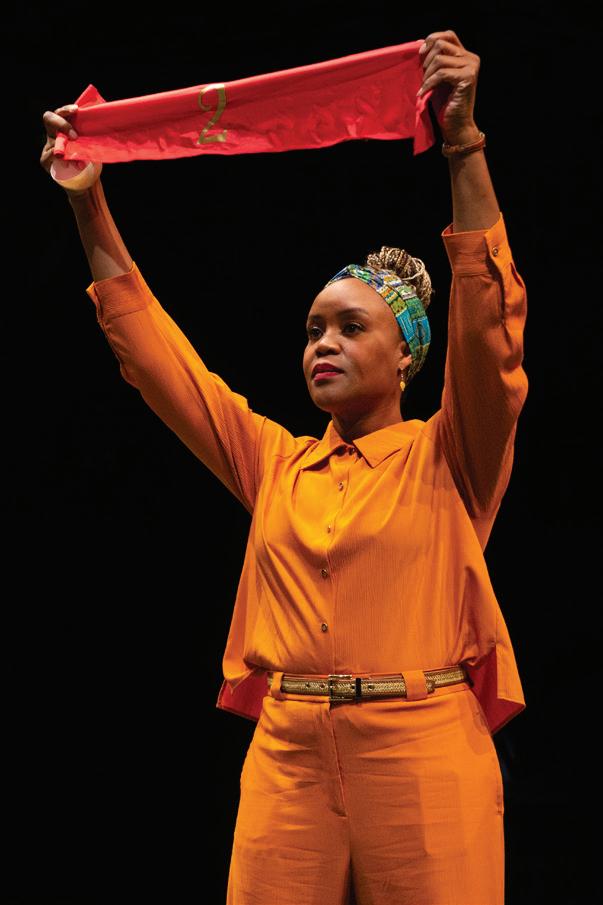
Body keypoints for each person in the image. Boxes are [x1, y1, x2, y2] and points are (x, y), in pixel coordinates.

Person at [40, 29, 528, 905]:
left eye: (349, 327)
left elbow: (487, 331)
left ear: (406, 355)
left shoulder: (450, 454)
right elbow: (160, 362)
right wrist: (88, 201)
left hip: (422, 751)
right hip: (288, 757)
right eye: (311, 330)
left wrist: (461, 144)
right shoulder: (276, 462)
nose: (322, 344)